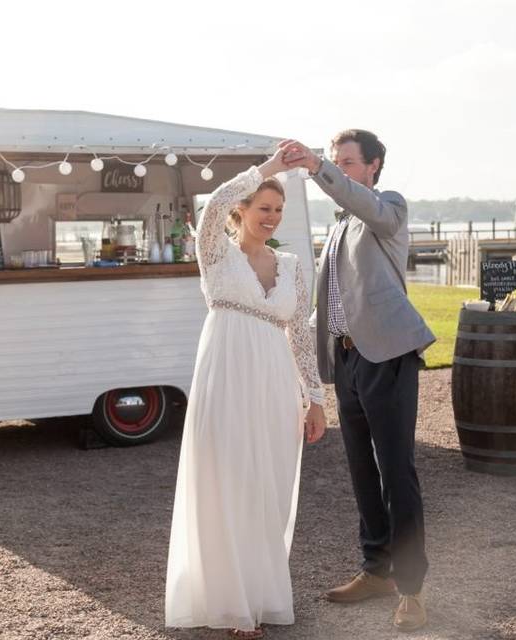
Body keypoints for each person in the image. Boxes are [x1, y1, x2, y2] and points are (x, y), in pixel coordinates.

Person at [164, 145, 327, 639]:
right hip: (226, 374)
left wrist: (315, 398)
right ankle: (232, 606)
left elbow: (299, 332)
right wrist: (273, 168)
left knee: (268, 486)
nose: (272, 218)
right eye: (264, 208)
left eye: (278, 210)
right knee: (228, 478)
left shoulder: (293, 265)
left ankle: (259, 594)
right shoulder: (215, 251)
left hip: (274, 382)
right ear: (241, 210)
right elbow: (212, 203)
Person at [282, 131, 435, 632]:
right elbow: (326, 303)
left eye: (350, 162)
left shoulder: (387, 208)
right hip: (346, 360)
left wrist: (321, 168)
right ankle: (376, 571)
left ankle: (411, 591)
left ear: (373, 166)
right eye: (338, 161)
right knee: (361, 472)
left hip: (388, 355)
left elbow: (366, 205)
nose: (342, 168)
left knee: (396, 473)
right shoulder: (342, 222)